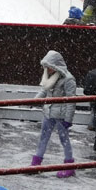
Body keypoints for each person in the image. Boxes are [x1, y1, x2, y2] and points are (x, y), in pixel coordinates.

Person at [30, 50, 77, 178]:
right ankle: (36, 164)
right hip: (48, 113)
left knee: (64, 140)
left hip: (61, 116)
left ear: (56, 66)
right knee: (43, 139)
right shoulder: (49, 76)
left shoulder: (68, 79)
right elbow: (44, 91)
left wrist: (68, 119)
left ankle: (69, 166)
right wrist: (34, 100)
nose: (46, 69)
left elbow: (71, 101)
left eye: (49, 66)